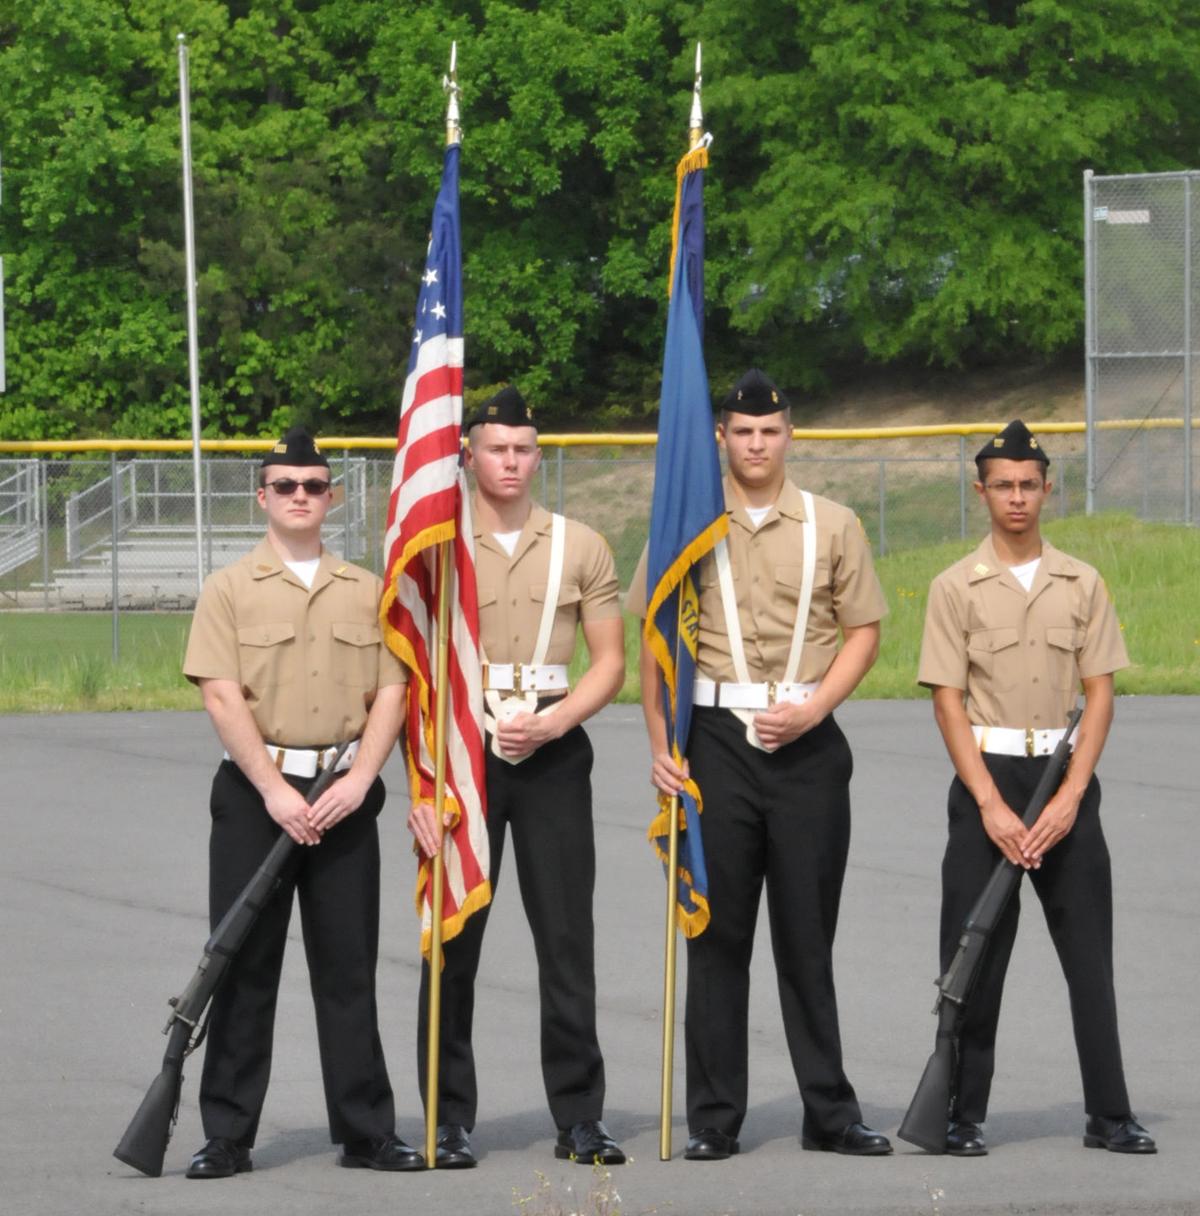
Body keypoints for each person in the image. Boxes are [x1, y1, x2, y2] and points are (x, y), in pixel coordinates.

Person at [629, 368, 892, 1161]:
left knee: (808, 937)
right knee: (718, 936)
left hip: (807, 741)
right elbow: (654, 639)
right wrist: (659, 746)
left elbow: (864, 632)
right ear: (721, 436)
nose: (755, 445)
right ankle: (714, 1117)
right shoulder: (686, 525)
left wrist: (816, 709)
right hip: (715, 742)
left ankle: (830, 1112)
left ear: (789, 434)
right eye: (742, 432)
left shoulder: (833, 524)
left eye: (769, 432)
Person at [181, 427, 422, 1176]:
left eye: (313, 486)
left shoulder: (368, 591)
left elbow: (393, 690)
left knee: (348, 969)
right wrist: (274, 791)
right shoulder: (228, 589)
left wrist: (360, 780)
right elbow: (221, 696)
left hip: (342, 796)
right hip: (258, 798)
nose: (299, 496)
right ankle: (227, 1135)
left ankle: (366, 1130)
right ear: (262, 496)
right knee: (243, 964)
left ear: (332, 498)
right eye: (284, 486)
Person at [917, 419, 1155, 1157]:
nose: (1016, 497)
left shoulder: (1082, 582)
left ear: (1047, 489)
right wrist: (989, 804)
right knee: (974, 955)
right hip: (988, 780)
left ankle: (1109, 1114)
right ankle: (960, 1115)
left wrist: (1071, 795)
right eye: (1003, 485)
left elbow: (1100, 693)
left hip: (1062, 778)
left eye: (1028, 484)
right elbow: (948, 701)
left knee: (1089, 957)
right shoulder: (953, 587)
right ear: (981, 491)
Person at [407, 385, 627, 1169]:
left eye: (523, 449)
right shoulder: (434, 545)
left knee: (566, 940)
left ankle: (580, 1118)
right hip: (460, 751)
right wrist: (422, 785)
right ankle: (445, 1119)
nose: (510, 461)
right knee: (453, 938)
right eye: (496, 448)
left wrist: (557, 723)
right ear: (468, 454)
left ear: (539, 456)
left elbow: (609, 662)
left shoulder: (580, 544)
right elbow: (409, 671)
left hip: (551, 749)